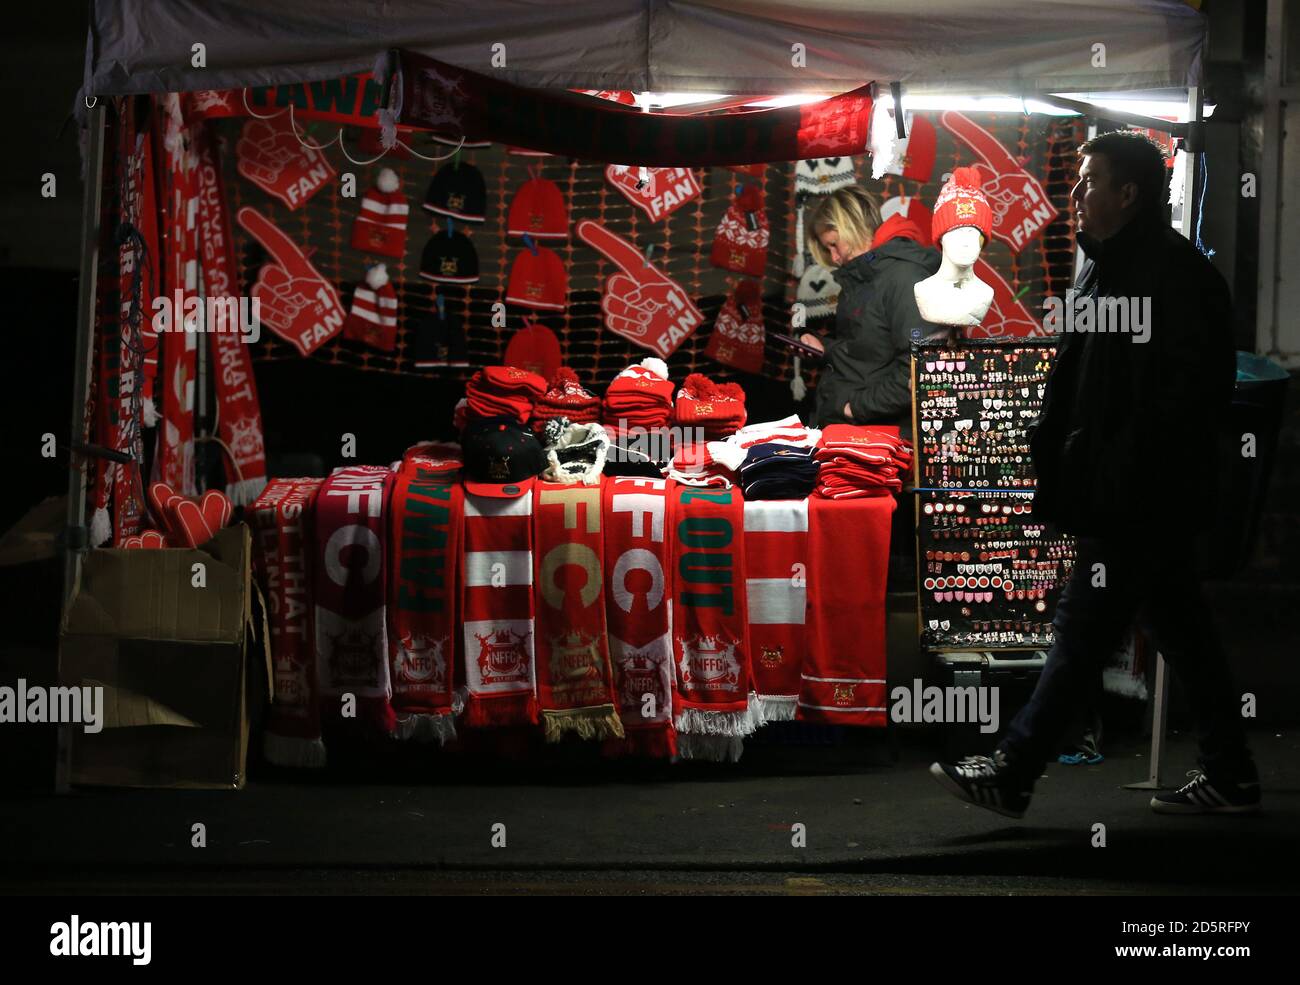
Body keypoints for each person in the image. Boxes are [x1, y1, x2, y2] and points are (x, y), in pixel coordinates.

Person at [930, 131, 1259, 817]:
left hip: (1139, 498)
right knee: (1183, 631)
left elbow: (1189, 397)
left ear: (1129, 193)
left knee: (1083, 630)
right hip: (1123, 491)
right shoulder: (1105, 267)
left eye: (1090, 181)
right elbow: (1085, 379)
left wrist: (1115, 467)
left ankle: (1015, 767)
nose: (1075, 195)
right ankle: (1232, 772)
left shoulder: (1175, 275)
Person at [798, 185, 945, 432]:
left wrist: (854, 408)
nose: (833, 257)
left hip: (878, 437)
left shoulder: (905, 277)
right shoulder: (862, 275)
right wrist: (827, 348)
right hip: (852, 432)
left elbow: (918, 370)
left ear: (853, 228)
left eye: (834, 244)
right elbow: (869, 350)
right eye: (827, 249)